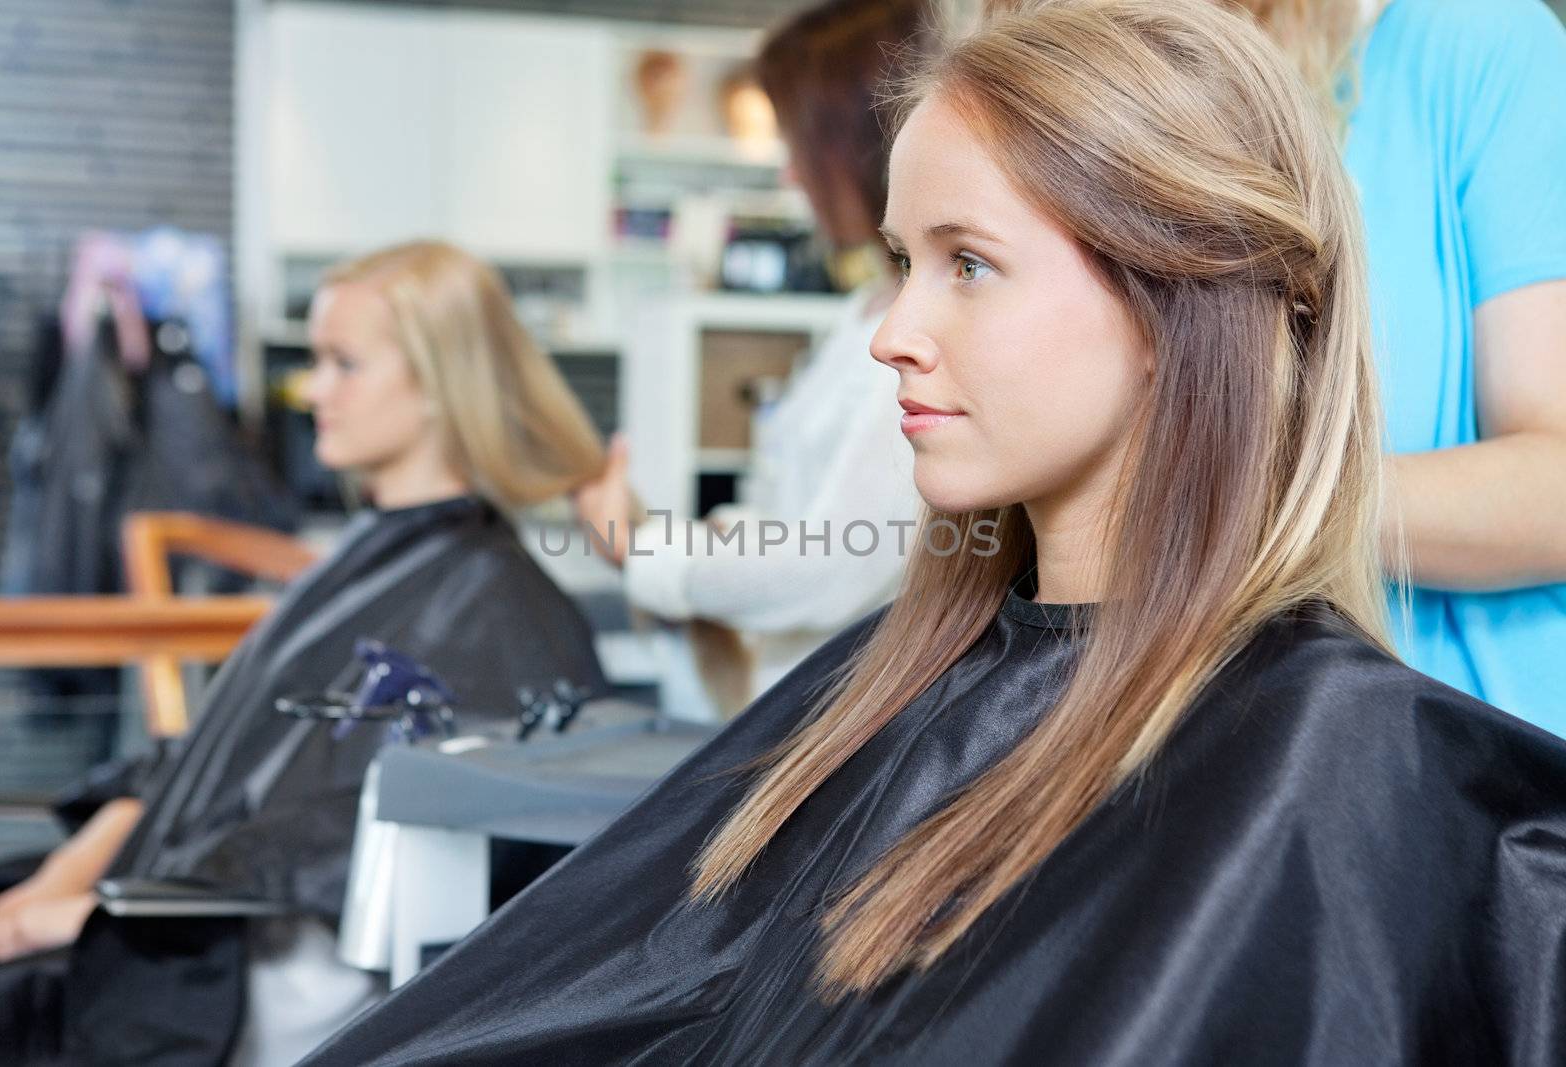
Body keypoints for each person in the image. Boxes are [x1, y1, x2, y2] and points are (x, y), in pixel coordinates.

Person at [301, 3, 1566, 1064]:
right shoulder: (894, 696)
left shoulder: (1321, 773)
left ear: (1188, 292)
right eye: (903, 260)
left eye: (967, 264)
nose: (891, 334)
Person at [0, 240, 610, 1065]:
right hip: (170, 912)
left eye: (345, 364)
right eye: (317, 361)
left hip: (241, 979)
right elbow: (203, 770)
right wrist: (66, 873)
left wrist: (96, 916)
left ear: (438, 386)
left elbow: (322, 872)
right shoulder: (360, 558)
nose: (316, 390)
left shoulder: (492, 603)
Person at [573, 0, 925, 702]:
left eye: (798, 146)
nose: (791, 177)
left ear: (856, 143)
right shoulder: (864, 311)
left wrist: (640, 551)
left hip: (836, 715)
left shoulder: (916, 339)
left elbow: (825, 565)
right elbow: (798, 519)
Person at [1236, 0, 1566, 734]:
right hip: (1250, 741)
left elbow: (1558, 485)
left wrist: (1247, 496)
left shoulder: (1483, 46)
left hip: (1481, 765)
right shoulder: (1117, 93)